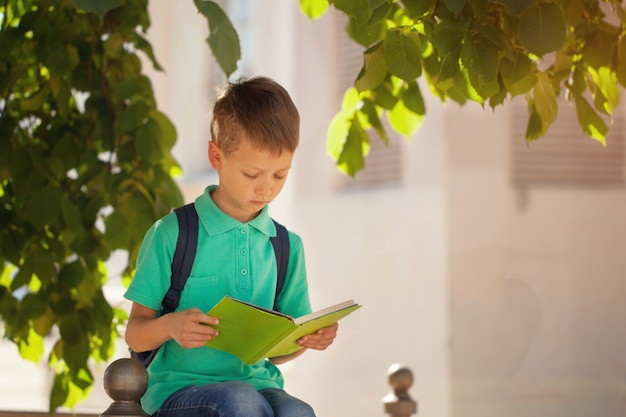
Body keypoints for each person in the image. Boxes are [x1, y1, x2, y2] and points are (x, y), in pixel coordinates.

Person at [123, 76, 338, 417]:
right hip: (176, 391)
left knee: (299, 412)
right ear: (216, 156)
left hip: (258, 386)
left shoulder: (286, 247)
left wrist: (306, 341)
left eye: (279, 175)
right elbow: (135, 335)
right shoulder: (172, 234)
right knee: (239, 401)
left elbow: (276, 353)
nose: (266, 188)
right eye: (252, 174)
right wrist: (171, 327)